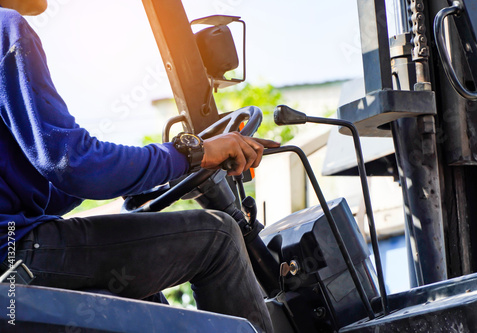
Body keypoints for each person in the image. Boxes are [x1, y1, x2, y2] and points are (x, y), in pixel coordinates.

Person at [0, 1, 278, 332]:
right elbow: (73, 162)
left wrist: (153, 176)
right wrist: (191, 155)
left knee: (142, 294)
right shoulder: (7, 27)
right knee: (218, 237)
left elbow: (46, 187)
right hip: (15, 252)